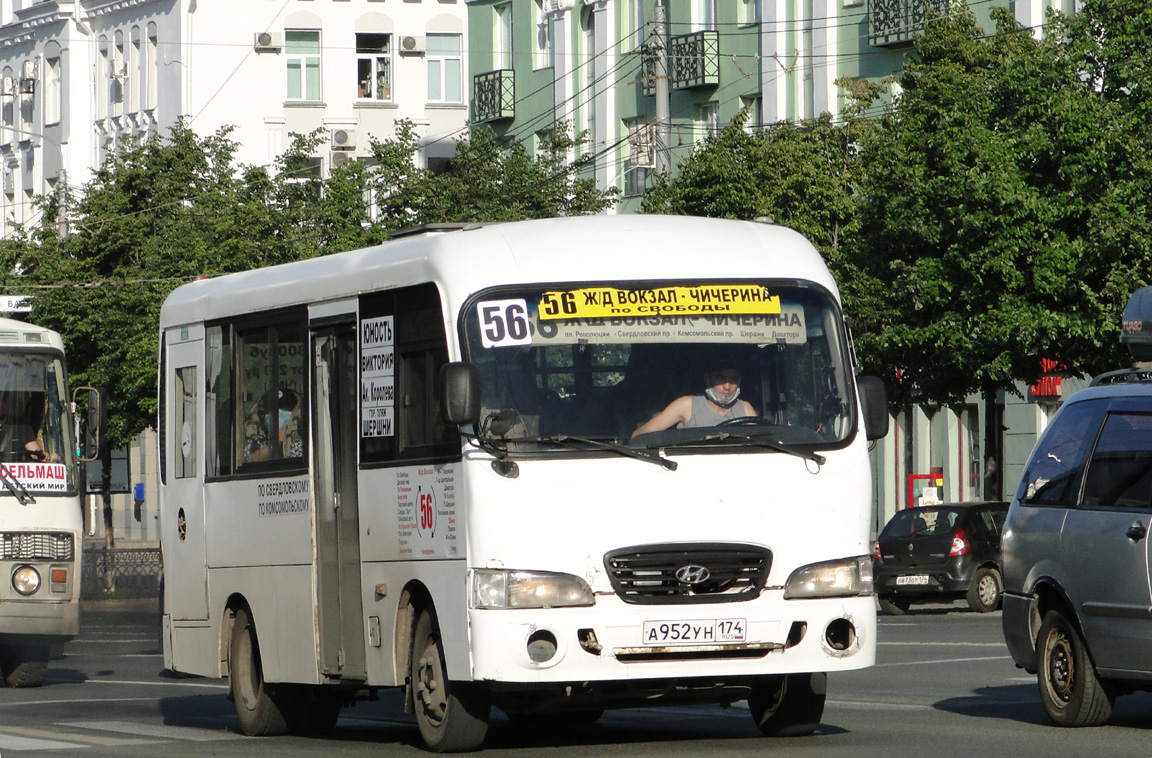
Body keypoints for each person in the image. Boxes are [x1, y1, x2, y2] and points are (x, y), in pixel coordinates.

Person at [631, 362, 756, 438]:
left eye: (733, 379)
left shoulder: (745, 408)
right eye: (720, 378)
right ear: (707, 379)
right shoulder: (686, 405)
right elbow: (639, 437)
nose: (727, 386)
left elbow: (760, 444)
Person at [244, 388, 302, 462]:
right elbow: (252, 459)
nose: (278, 415)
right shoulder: (256, 438)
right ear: (262, 416)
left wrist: (287, 438)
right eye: (271, 411)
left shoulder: (301, 436)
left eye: (285, 410)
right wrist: (275, 442)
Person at [0, 392, 44, 460]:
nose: (0, 405)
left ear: (8, 403)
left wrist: (43, 456)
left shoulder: (21, 425)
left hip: (12, 470)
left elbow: (36, 453)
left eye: (3, 401)